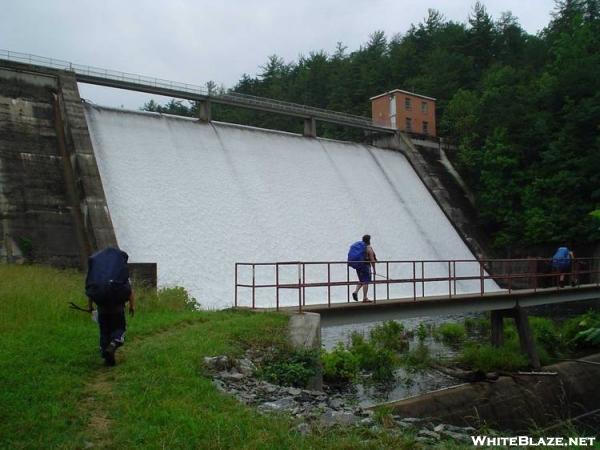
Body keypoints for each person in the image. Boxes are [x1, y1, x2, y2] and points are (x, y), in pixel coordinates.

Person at [86, 247, 135, 366]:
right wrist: (132, 306)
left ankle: (105, 353)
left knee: (104, 331)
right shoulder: (121, 275)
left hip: (102, 309)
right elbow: (130, 292)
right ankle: (114, 344)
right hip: (117, 309)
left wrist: (90, 307)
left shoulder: (98, 276)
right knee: (119, 329)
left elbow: (91, 292)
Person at [348, 234, 377, 302]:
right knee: (366, 281)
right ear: (369, 240)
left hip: (359, 265)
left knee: (361, 280)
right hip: (365, 266)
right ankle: (365, 298)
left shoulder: (360, 247)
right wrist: (374, 269)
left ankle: (355, 292)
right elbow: (372, 260)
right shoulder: (368, 248)